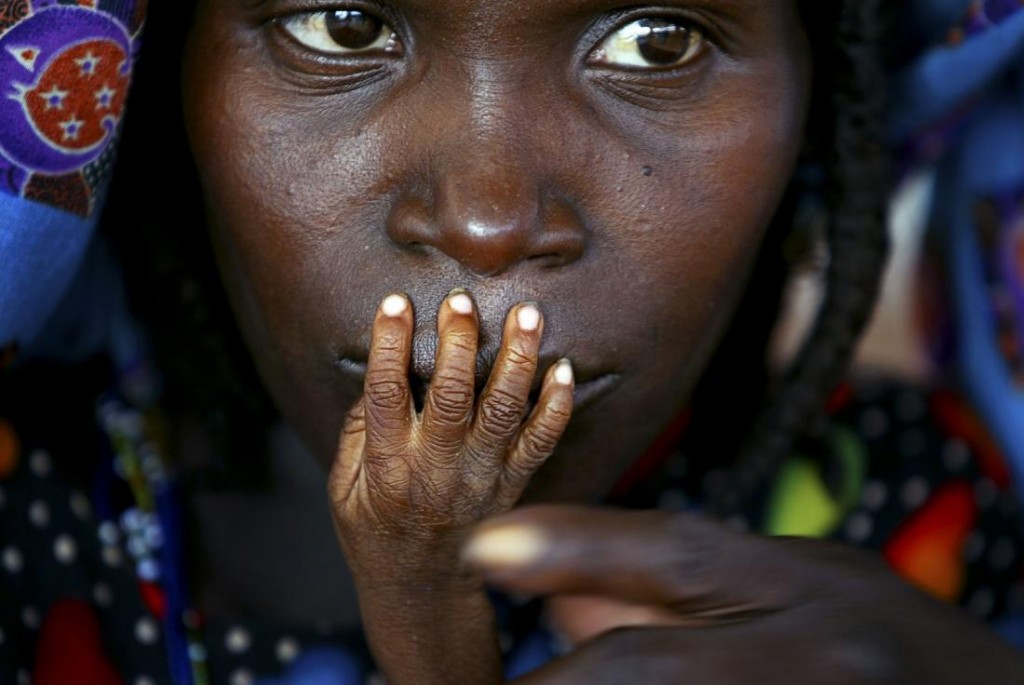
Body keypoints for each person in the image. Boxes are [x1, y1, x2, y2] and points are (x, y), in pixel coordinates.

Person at [2, 0, 1024, 683]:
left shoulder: (932, 528)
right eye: (342, 25)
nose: (486, 217)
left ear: (818, 110)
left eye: (655, 43)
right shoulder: (19, 525)